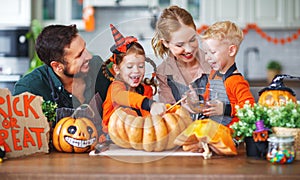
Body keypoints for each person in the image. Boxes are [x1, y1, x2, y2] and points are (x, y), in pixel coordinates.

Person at [13, 24, 111, 109]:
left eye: (84, 48)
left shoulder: (96, 66)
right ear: (57, 66)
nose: (89, 56)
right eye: (79, 55)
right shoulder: (30, 89)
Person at [101, 24, 166, 134]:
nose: (136, 71)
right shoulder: (115, 88)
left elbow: (146, 118)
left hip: (136, 135)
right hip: (112, 136)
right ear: (117, 69)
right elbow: (125, 97)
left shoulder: (146, 89)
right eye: (130, 66)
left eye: (141, 66)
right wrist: (148, 103)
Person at [151, 5, 211, 106]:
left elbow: (231, 103)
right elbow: (169, 112)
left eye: (192, 39)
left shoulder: (213, 61)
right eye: (179, 45)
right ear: (165, 43)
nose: (189, 49)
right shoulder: (163, 74)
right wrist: (183, 110)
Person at [200, 20, 255, 127]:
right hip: (214, 127)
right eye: (206, 53)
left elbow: (250, 108)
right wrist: (199, 100)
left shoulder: (236, 81)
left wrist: (225, 109)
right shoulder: (213, 74)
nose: (207, 58)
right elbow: (208, 96)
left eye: (212, 52)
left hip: (230, 134)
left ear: (231, 51)